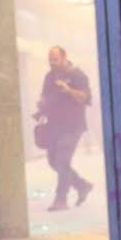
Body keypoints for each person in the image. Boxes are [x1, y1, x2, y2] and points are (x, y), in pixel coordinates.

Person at [36, 46, 94, 211]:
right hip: (54, 126)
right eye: (50, 60)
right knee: (53, 161)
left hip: (73, 126)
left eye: (55, 59)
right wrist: (42, 105)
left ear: (64, 57)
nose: (52, 63)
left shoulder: (77, 75)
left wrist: (68, 90)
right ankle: (82, 185)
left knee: (62, 160)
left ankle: (61, 200)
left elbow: (85, 98)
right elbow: (44, 96)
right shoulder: (49, 77)